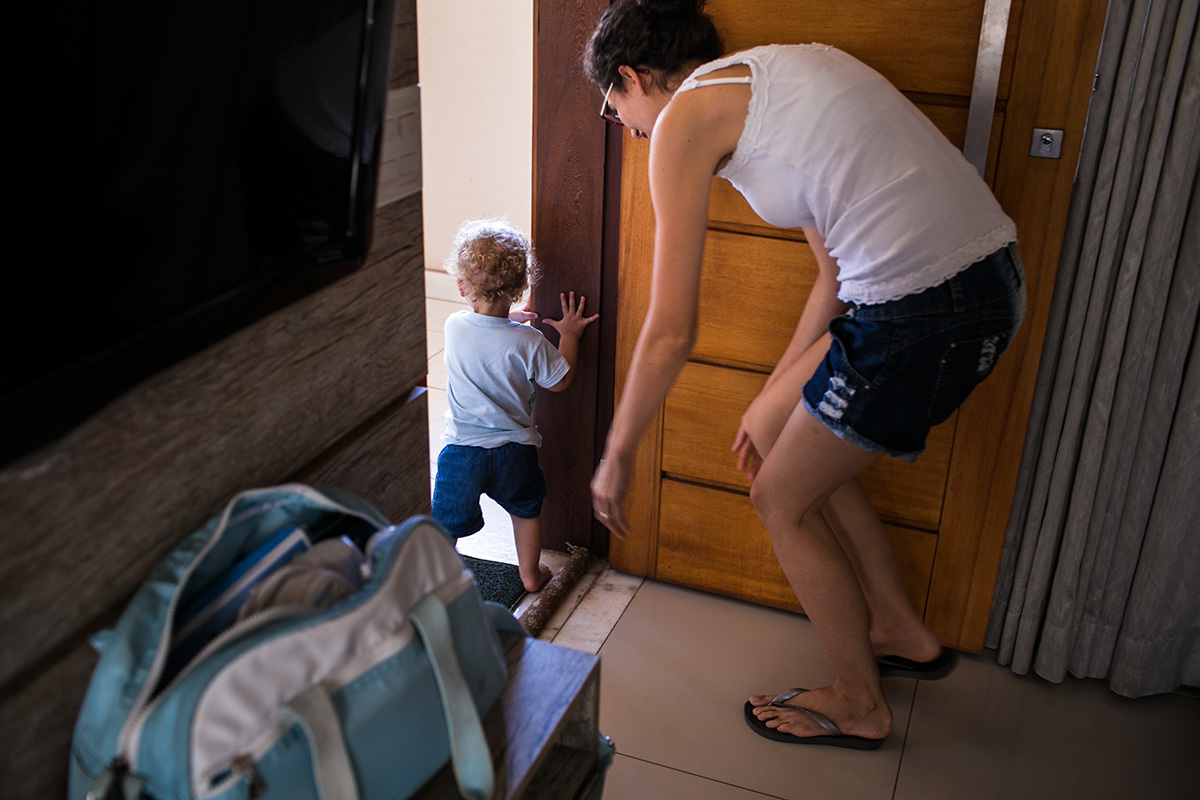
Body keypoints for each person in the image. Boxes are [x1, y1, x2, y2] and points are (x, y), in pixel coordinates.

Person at [586, 0, 1024, 749]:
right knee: (800, 444)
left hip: (925, 307)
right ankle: (899, 630)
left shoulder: (685, 121)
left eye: (614, 104)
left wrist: (618, 453)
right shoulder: (780, 77)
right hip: (980, 284)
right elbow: (832, 276)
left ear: (634, 75)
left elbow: (669, 331)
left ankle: (860, 703)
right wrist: (774, 396)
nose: (621, 124)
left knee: (779, 499)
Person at [432, 219, 599, 593]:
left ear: (462, 286)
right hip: (515, 451)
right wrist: (569, 334)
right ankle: (529, 574)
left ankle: (436, 575)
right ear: (520, 288)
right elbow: (562, 378)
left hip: (462, 451)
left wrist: (505, 319)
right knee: (526, 510)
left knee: (445, 520)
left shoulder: (454, 326)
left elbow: (486, 333)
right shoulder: (529, 341)